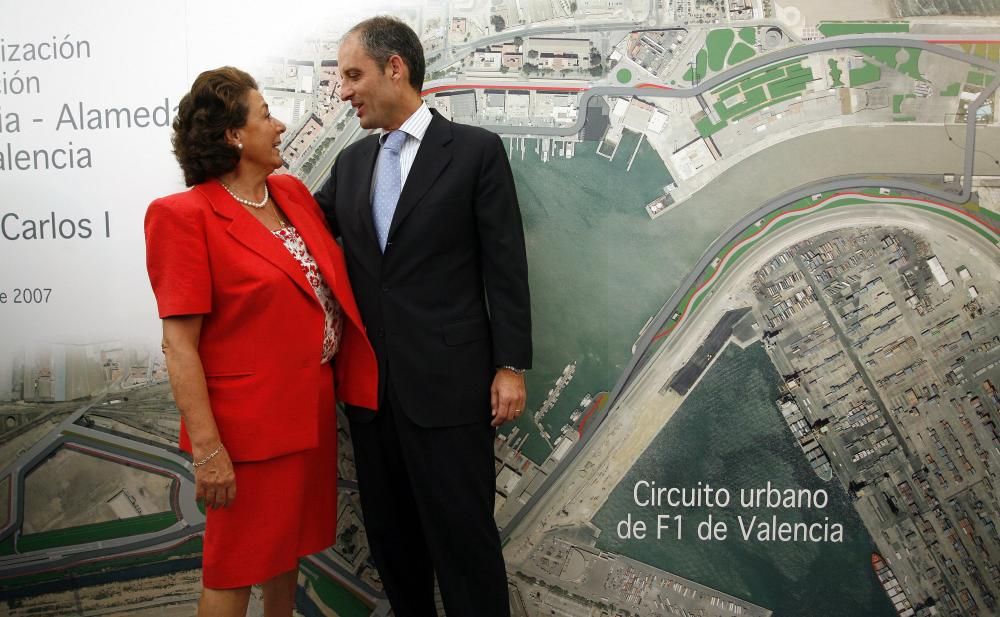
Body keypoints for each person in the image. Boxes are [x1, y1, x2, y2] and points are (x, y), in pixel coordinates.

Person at [314, 16, 532, 617]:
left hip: (452, 394)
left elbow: (505, 267)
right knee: (395, 550)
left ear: (395, 67)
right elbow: (306, 232)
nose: (343, 91)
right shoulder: (353, 164)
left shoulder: (475, 153)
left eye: (353, 75)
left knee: (465, 545)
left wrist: (510, 365)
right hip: (371, 399)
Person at [144, 66, 377, 617]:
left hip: (309, 412)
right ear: (233, 135)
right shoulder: (182, 217)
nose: (281, 125)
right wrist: (209, 452)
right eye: (266, 114)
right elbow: (179, 348)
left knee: (285, 555)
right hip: (245, 436)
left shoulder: (290, 193)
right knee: (234, 568)